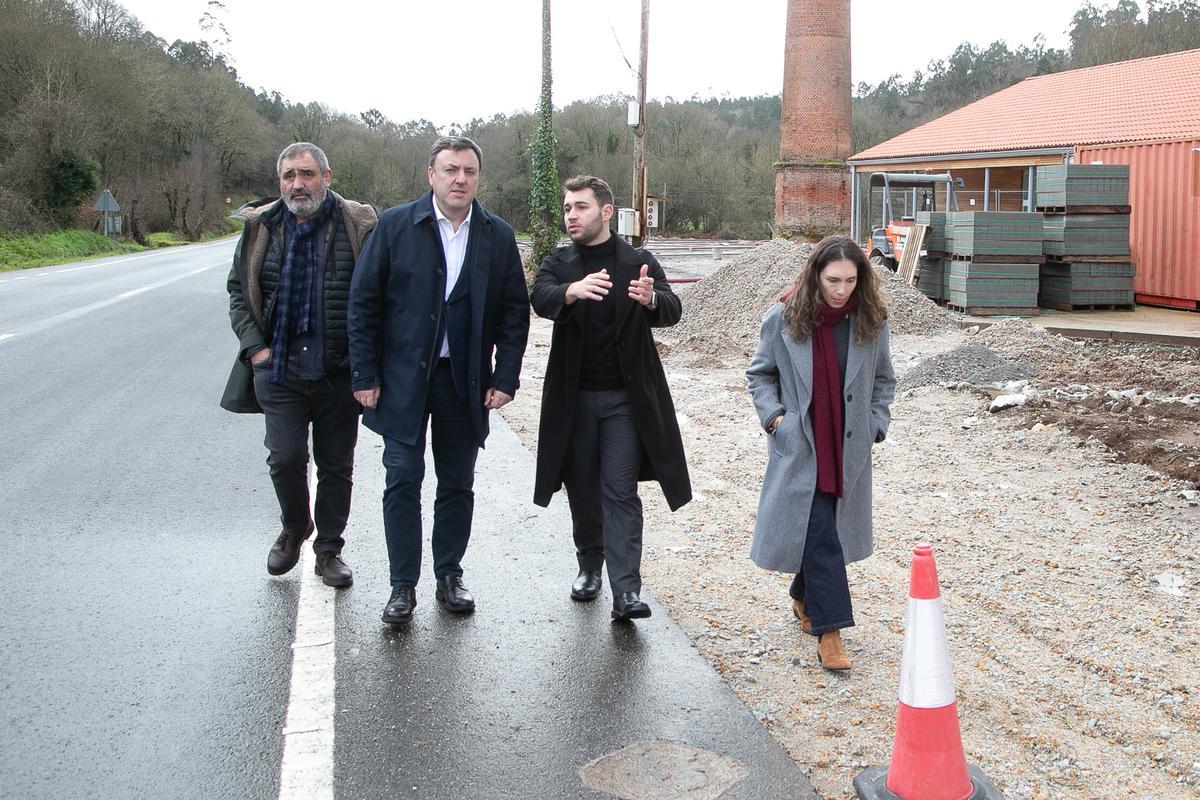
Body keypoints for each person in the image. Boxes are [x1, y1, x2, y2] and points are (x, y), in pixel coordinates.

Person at [348, 136, 529, 625]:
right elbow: (363, 303)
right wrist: (363, 374)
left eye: (468, 171)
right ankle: (401, 585)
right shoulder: (394, 226)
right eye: (450, 170)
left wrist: (506, 376)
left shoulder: (496, 234)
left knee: (457, 482)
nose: (460, 179)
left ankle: (449, 575)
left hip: (463, 381)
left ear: (477, 177)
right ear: (431, 175)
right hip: (401, 379)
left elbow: (514, 314)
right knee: (402, 478)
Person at [531, 175, 691, 622]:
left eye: (580, 207)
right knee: (582, 488)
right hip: (574, 399)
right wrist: (570, 291)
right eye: (567, 208)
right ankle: (589, 565)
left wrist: (651, 299)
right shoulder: (560, 261)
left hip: (625, 401)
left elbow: (673, 308)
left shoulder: (637, 260)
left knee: (619, 490)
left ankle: (626, 591)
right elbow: (538, 298)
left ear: (605, 211)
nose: (571, 215)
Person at [222, 142, 378, 587]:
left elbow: (378, 294)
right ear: (280, 183)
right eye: (289, 175)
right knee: (285, 459)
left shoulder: (359, 225)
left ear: (327, 178)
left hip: (338, 370)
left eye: (307, 174)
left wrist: (367, 363)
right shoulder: (260, 229)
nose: (298, 183)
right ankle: (295, 527)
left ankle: (329, 549)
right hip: (279, 368)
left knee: (336, 465)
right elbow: (238, 292)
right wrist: (256, 350)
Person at [745, 235, 895, 670]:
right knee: (821, 531)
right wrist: (777, 421)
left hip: (848, 448)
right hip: (802, 447)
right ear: (815, 274)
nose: (841, 289)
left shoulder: (871, 319)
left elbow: (885, 379)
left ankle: (801, 595)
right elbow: (760, 375)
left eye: (850, 280)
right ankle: (831, 632)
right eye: (833, 279)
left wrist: (875, 424)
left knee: (824, 528)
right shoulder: (784, 318)